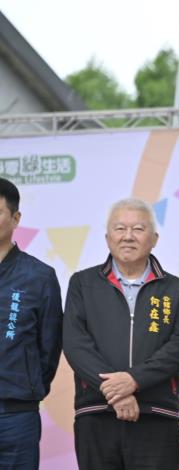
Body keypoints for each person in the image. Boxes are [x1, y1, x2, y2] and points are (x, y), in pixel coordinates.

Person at [63, 198, 179, 470]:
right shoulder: (83, 284)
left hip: (155, 414)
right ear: (107, 237)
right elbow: (75, 344)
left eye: (138, 229)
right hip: (97, 413)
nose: (128, 236)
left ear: (154, 239)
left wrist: (134, 380)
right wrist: (117, 393)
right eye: (120, 228)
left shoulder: (176, 289)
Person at [0, 177, 62, 469]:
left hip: (16, 414)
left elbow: (49, 347)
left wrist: (27, 385)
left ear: (16, 219)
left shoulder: (39, 276)